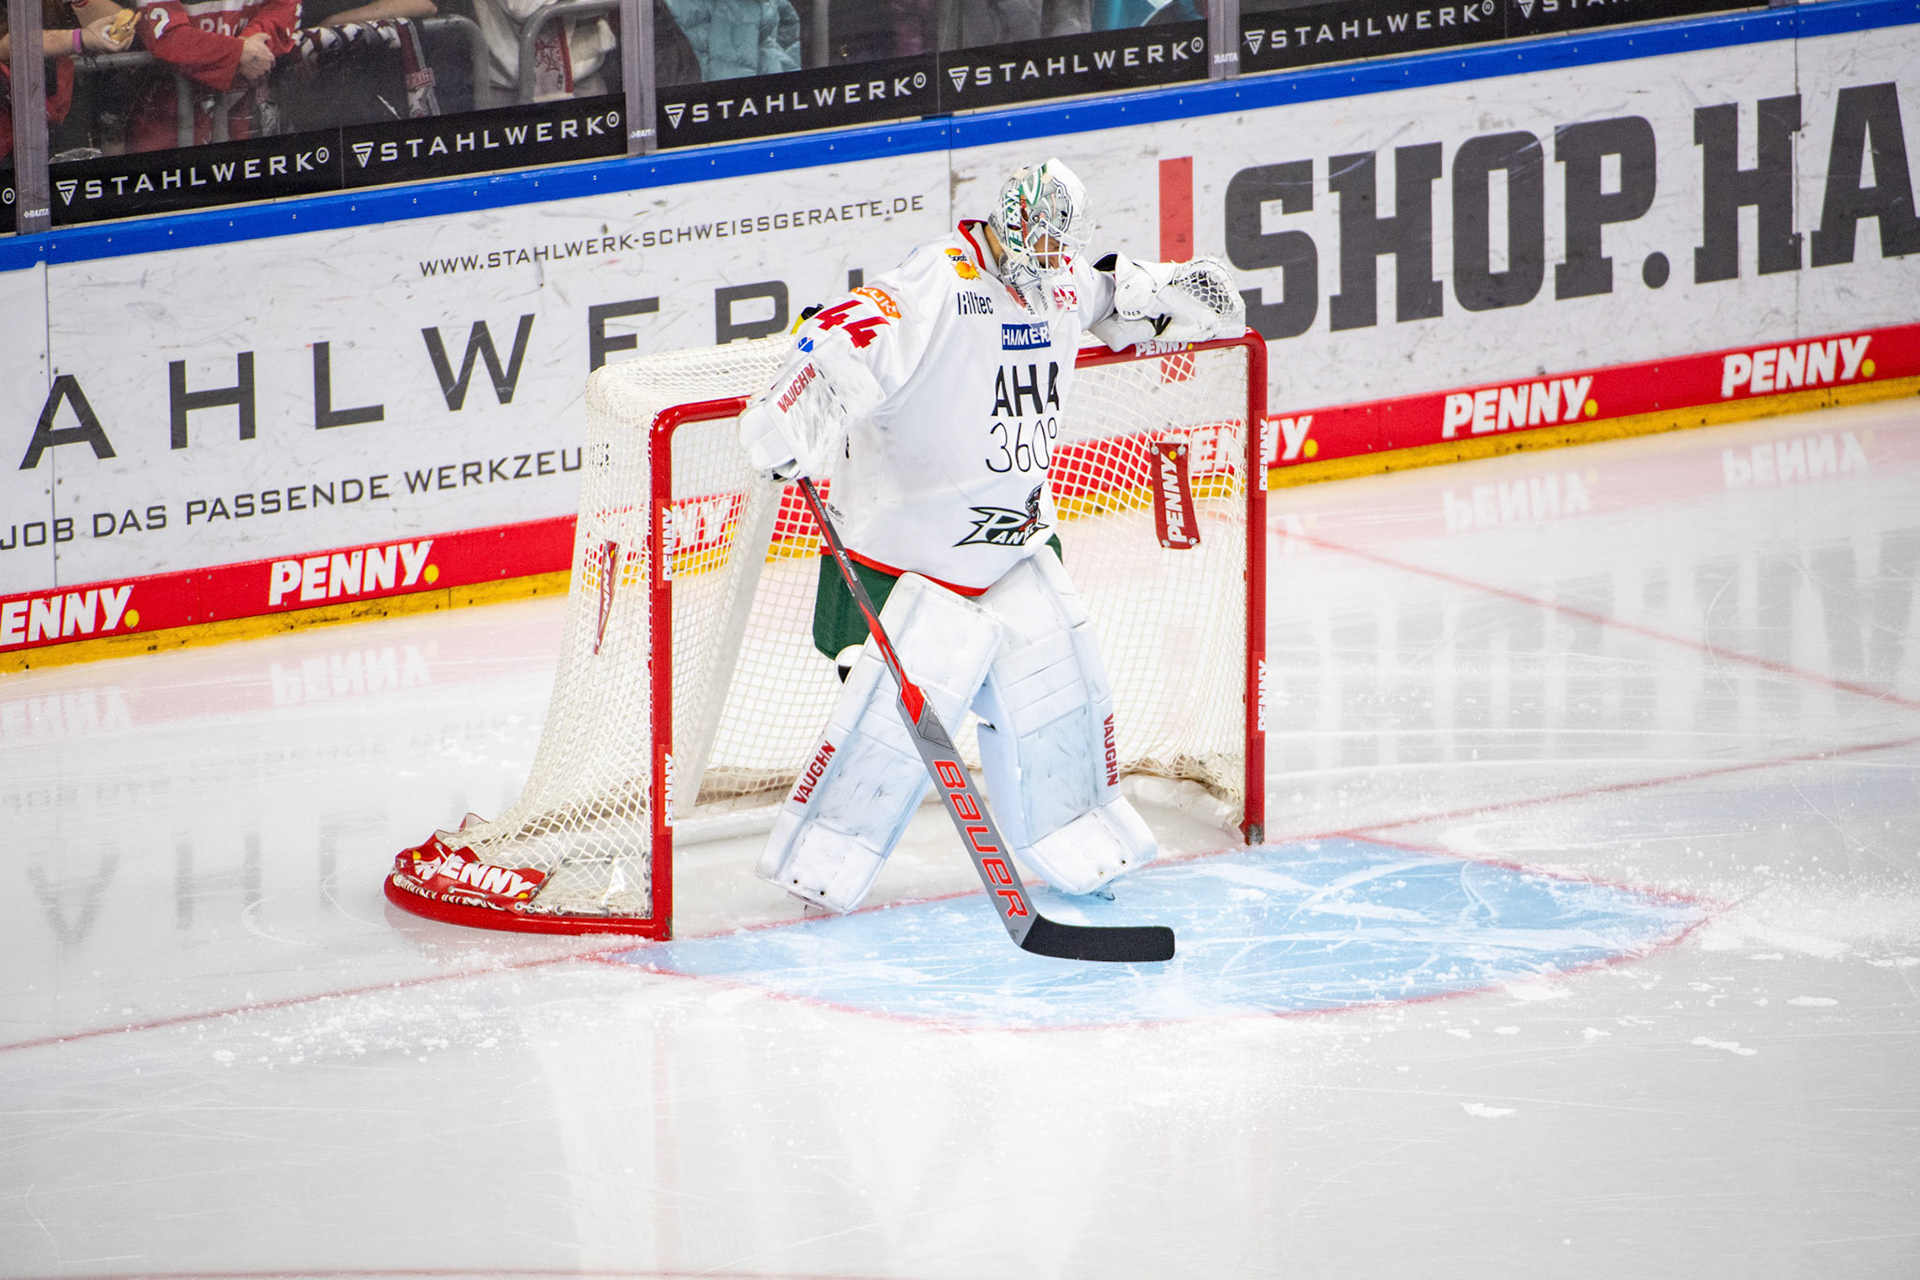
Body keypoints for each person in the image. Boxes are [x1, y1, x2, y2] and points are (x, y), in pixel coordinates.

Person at [737, 157, 1244, 914]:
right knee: (886, 740)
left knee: (1062, 705)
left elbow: (1124, 290)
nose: (1047, 266)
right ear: (1006, 225)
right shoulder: (936, 280)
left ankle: (1080, 843)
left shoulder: (1065, 279)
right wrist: (793, 411)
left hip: (1015, 548)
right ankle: (823, 866)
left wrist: (1187, 295)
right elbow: (843, 333)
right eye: (1034, 246)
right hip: (901, 565)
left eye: (1056, 249)